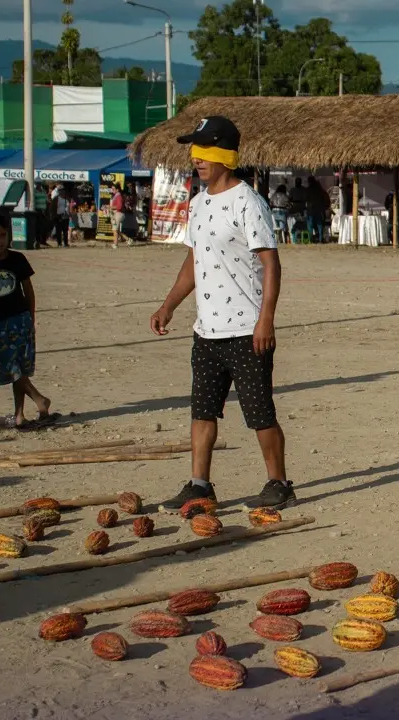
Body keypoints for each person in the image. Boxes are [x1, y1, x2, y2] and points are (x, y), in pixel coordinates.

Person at [150, 116, 294, 512]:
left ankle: (278, 482)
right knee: (202, 410)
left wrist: (266, 319)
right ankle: (200, 484)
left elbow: (271, 263)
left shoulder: (248, 202)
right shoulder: (197, 204)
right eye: (194, 151)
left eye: (204, 150)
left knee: (260, 412)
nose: (196, 158)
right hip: (207, 330)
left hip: (247, 330)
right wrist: (168, 304)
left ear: (225, 155)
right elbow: (193, 261)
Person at [0, 214, 55, 429]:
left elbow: (28, 291)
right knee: (9, 366)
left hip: (18, 321)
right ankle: (39, 400)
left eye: (3, 235)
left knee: (15, 367)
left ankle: (20, 413)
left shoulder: (17, 259)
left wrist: (31, 317)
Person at [305, 177, 327, 243]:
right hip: (319, 209)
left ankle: (311, 240)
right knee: (319, 224)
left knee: (310, 225)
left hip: (311, 209)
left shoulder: (308, 189)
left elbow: (306, 198)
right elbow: (323, 199)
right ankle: (320, 239)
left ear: (309, 182)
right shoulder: (320, 189)